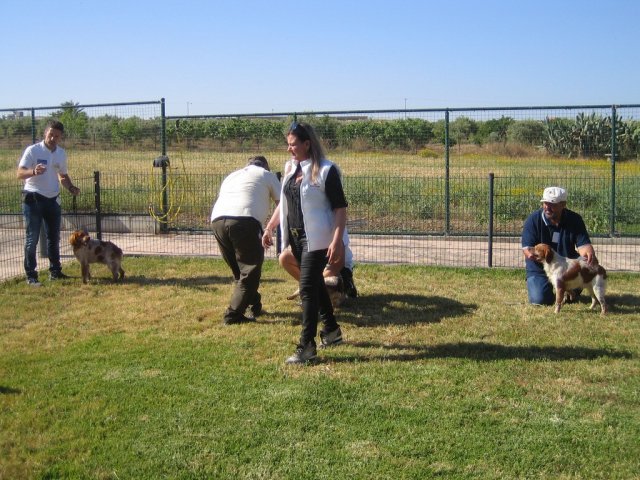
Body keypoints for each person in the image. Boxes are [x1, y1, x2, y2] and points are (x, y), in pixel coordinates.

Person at [262, 121, 348, 364]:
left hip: (318, 240)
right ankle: (331, 331)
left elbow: (340, 208)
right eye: (287, 145)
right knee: (317, 286)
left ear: (307, 144)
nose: (289, 149)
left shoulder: (326, 170)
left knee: (308, 290)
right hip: (297, 239)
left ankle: (306, 346)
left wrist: (336, 240)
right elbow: (284, 203)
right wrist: (270, 226)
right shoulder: (290, 169)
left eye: (293, 145)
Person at [211, 156, 281, 325]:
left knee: (239, 270)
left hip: (217, 221)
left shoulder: (232, 175)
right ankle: (233, 315)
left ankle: (254, 304)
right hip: (244, 220)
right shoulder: (267, 174)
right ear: (266, 166)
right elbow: (282, 204)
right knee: (250, 271)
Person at [17, 120, 80, 286]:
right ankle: (31, 276)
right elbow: (19, 173)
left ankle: (55, 272)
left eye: (57, 136)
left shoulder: (61, 153)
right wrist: (33, 171)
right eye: (51, 134)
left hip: (53, 200)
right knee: (32, 239)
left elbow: (63, 176)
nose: (53, 138)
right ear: (45, 133)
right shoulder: (33, 150)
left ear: (61, 138)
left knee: (54, 237)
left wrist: (71, 187)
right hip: (34, 199)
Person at [521, 186, 597, 305]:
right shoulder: (533, 220)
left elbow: (584, 247)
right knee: (539, 300)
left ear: (563, 204)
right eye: (545, 202)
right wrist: (533, 255)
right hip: (540, 268)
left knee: (589, 264)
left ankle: (570, 288)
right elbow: (527, 249)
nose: (547, 207)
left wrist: (589, 255)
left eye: (552, 204)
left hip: (567, 267)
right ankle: (556, 288)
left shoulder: (575, 219)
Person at [279, 231, 358, 303]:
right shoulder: (303, 223)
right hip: (315, 267)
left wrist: (312, 280)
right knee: (284, 257)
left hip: (337, 270)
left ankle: (344, 287)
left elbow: (337, 265)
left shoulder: (331, 222)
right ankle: (309, 290)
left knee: (330, 283)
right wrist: (270, 227)